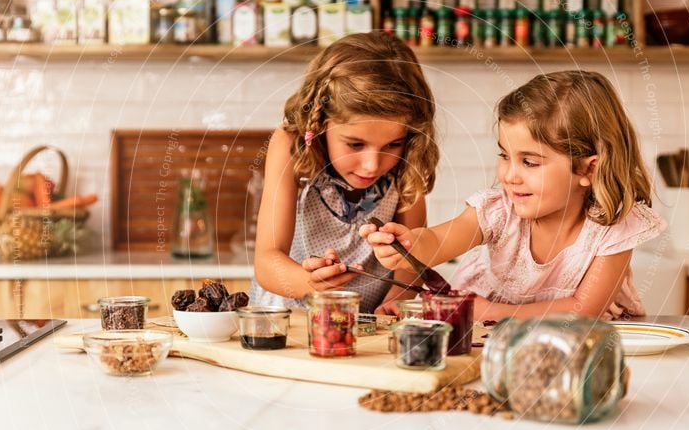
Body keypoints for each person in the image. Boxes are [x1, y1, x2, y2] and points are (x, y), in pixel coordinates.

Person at [361, 70, 666, 319]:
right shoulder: (498, 211)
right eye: (504, 156)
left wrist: (484, 310)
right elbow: (438, 241)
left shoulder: (613, 228)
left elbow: (582, 311)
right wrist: (409, 246)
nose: (509, 175)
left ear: (588, 170)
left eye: (530, 162)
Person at [249, 32, 440, 313]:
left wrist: (394, 302)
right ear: (323, 123)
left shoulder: (408, 157)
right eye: (355, 144)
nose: (372, 165)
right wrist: (311, 282)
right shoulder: (292, 145)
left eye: (393, 144)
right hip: (291, 320)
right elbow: (267, 263)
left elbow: (411, 260)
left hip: (370, 326)